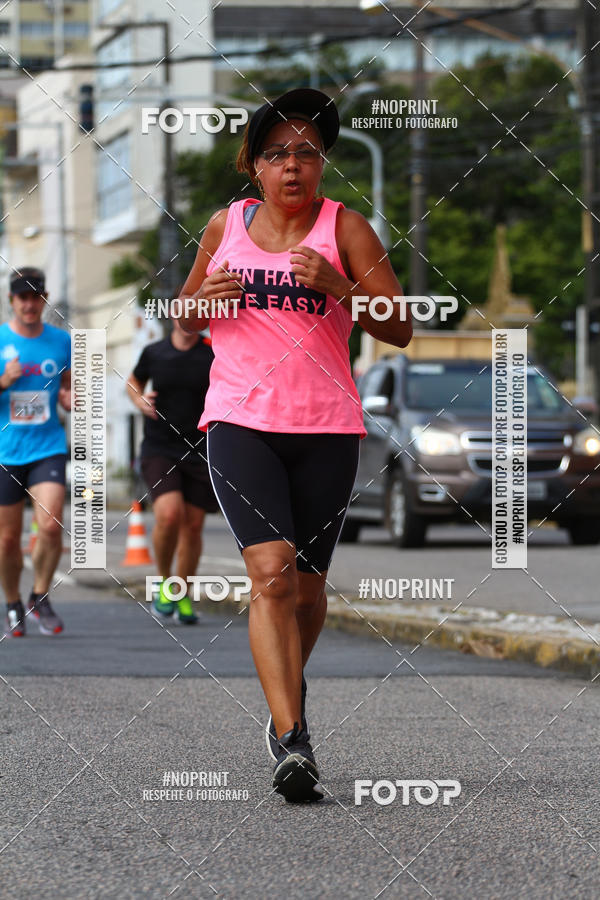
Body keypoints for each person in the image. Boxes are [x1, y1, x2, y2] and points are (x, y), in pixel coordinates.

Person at [173, 88, 412, 802]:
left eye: (308, 152)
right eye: (278, 152)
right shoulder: (225, 227)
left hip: (327, 428)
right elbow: (185, 320)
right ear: (253, 165)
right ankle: (291, 735)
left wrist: (341, 287)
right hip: (242, 422)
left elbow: (398, 328)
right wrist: (202, 299)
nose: (294, 166)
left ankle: (286, 692)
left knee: (307, 590)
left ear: (322, 165)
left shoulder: (347, 229)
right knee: (271, 573)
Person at [126, 315, 218, 625]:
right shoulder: (155, 352)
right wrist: (140, 401)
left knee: (192, 527)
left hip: (201, 449)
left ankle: (182, 593)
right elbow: (133, 382)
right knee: (168, 514)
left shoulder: (213, 351)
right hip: (160, 447)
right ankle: (166, 583)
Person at [0, 267, 71, 638]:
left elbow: (71, 388)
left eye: (36, 297)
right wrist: (3, 382)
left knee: (50, 523)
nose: (30, 304)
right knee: (8, 539)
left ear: (43, 300)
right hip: (6, 450)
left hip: (48, 446)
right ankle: (12, 600)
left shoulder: (62, 341)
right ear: (12, 300)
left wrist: (70, 398)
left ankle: (39, 594)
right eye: (22, 297)